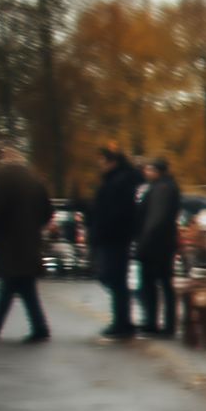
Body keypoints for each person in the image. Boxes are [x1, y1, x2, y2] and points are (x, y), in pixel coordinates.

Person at [0, 142, 53, 343]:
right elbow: (47, 211)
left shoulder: (2, 179)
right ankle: (39, 328)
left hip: (8, 242)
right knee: (24, 286)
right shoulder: (34, 179)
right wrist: (34, 227)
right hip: (31, 242)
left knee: (10, 286)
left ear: (4, 159)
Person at [90, 145, 142, 340]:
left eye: (103, 160)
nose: (100, 164)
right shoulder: (119, 180)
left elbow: (115, 211)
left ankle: (122, 322)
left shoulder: (118, 182)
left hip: (113, 237)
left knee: (113, 278)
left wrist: (102, 229)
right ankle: (122, 321)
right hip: (116, 237)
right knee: (115, 279)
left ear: (112, 162)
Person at [135, 157, 180, 336]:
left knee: (153, 284)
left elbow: (155, 219)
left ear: (157, 171)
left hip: (156, 245)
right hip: (163, 243)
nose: (146, 172)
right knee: (163, 283)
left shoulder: (161, 189)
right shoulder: (165, 186)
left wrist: (144, 242)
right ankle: (164, 323)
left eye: (149, 169)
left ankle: (155, 322)